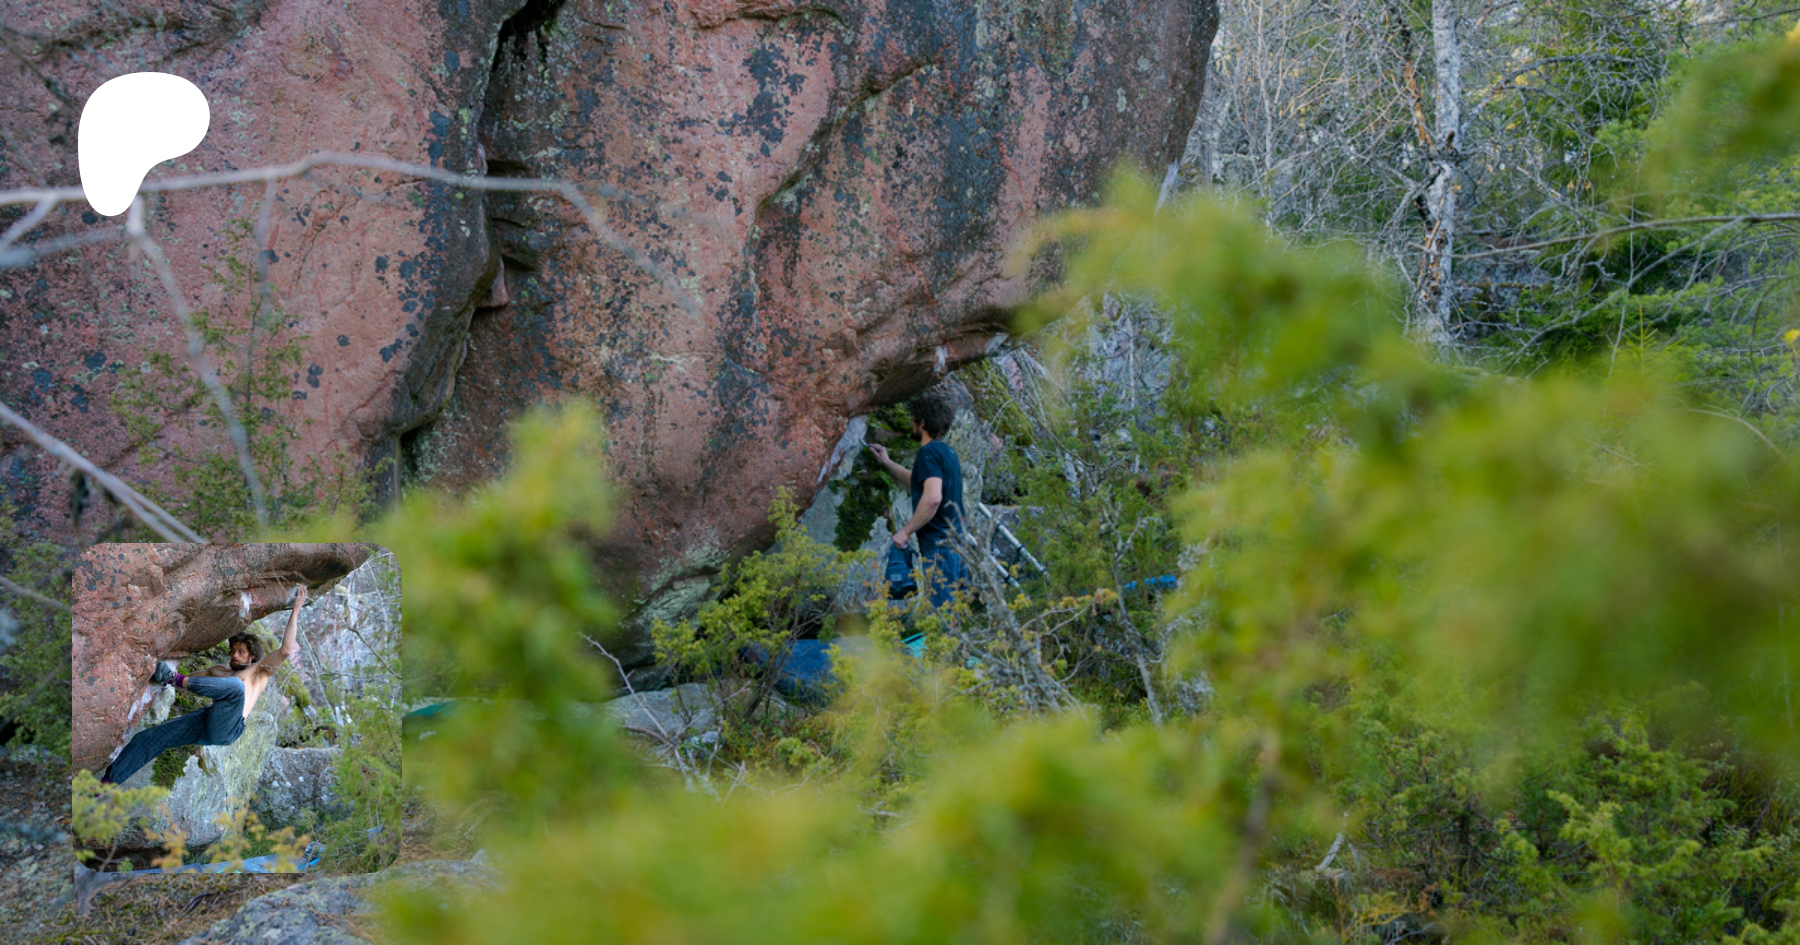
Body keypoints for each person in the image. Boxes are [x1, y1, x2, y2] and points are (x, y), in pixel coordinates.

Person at [100, 584, 308, 785]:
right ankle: (104, 786)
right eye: (233, 651)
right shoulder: (218, 671)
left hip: (230, 728)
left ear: (252, 657)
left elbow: (285, 650)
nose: (234, 655)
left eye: (241, 652)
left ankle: (171, 678)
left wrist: (296, 609)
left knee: (236, 687)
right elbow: (194, 680)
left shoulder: (259, 673)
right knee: (150, 738)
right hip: (207, 721)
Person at [868, 388, 968, 608]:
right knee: (956, 617)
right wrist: (887, 462)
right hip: (957, 547)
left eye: (913, 420)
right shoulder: (946, 452)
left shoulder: (927, 453)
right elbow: (920, 482)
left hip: (940, 548)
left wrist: (906, 531)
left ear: (923, 422)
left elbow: (932, 497)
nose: (911, 424)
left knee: (943, 619)